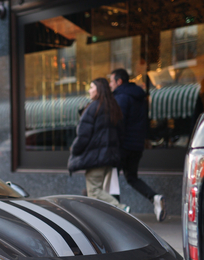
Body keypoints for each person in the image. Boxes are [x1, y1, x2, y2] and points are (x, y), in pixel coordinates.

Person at [109, 68, 166, 221]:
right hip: (136, 145)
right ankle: (154, 197)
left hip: (123, 145)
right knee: (132, 177)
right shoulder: (139, 97)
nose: (110, 84)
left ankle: (117, 213)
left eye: (111, 81)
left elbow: (119, 122)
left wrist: (114, 142)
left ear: (119, 81)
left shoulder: (121, 97)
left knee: (112, 177)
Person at [68, 78, 130, 213]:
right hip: (110, 157)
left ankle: (121, 209)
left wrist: (75, 151)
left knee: (94, 191)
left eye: (91, 87)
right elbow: (121, 134)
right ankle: (101, 218)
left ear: (99, 89)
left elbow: (83, 136)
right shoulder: (113, 107)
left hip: (96, 158)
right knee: (100, 191)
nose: (89, 91)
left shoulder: (93, 108)